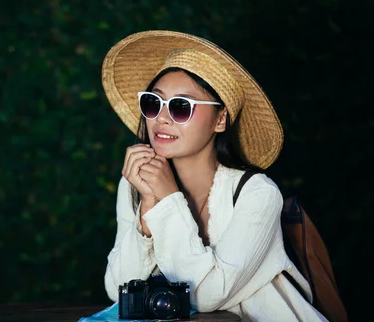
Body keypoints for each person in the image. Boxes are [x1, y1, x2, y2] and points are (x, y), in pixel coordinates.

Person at [101, 31, 327, 321]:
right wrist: (147, 211)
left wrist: (168, 200)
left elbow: (205, 295)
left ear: (220, 120)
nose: (162, 118)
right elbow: (118, 289)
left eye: (181, 106)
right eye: (153, 103)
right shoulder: (136, 184)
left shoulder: (257, 193)